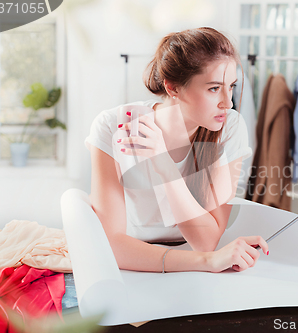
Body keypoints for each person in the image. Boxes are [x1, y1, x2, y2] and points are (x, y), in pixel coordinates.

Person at [85, 27, 269, 273]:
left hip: (191, 258)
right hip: (133, 263)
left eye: (232, 86)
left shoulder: (230, 128)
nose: (229, 102)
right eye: (214, 88)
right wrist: (207, 262)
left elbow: (206, 242)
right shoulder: (112, 125)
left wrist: (164, 167)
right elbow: (112, 245)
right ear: (172, 88)